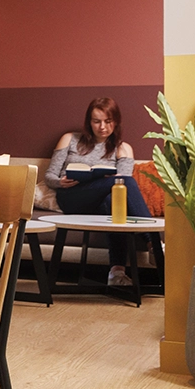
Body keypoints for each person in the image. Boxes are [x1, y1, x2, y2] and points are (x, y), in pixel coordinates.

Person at [45, 97, 151, 286]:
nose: (102, 127)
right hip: (72, 197)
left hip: (100, 201)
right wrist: (60, 182)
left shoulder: (123, 148)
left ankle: (116, 273)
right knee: (121, 184)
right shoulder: (70, 139)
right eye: (96, 121)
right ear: (89, 122)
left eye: (108, 121)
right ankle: (154, 243)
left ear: (116, 121)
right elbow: (49, 175)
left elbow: (123, 187)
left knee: (114, 202)